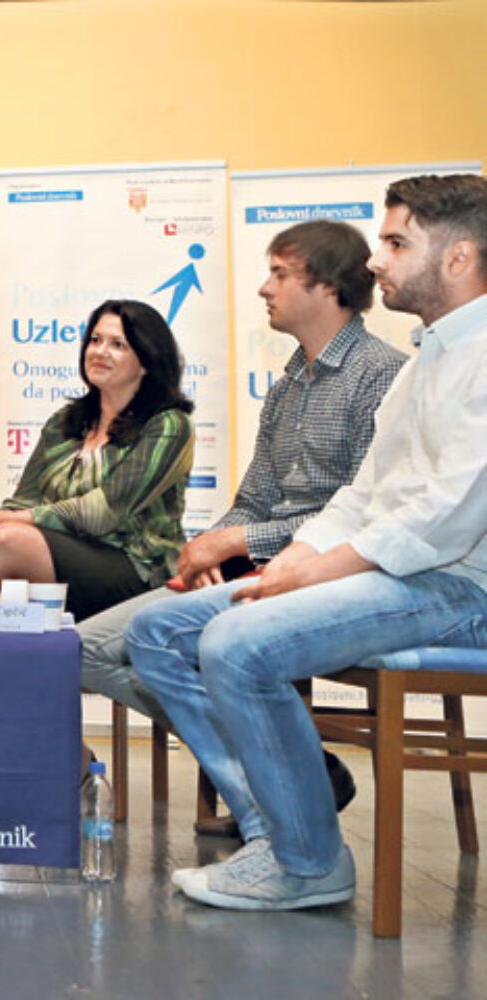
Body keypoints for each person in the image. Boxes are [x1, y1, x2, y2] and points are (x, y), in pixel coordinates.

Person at [127, 174, 487, 911]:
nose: (375, 262)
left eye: (396, 244)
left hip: (460, 588)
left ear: (458, 258)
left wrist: (319, 571)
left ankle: (308, 863)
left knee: (237, 643)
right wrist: (296, 559)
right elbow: (363, 494)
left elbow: (445, 516)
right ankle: (281, 831)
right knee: (158, 631)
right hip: (397, 573)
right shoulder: (427, 360)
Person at [79, 222, 406, 835]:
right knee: (79, 650)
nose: (264, 288)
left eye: (279, 274)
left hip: (330, 574)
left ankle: (280, 794)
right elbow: (254, 499)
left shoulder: (383, 376)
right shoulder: (287, 386)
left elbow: (366, 512)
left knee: (153, 640)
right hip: (253, 565)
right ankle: (300, 769)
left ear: (327, 285)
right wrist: (210, 547)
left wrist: (240, 542)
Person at [0, 299, 194, 620]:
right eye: (95, 340)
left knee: (7, 539)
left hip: (137, 569)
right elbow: (24, 501)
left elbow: (103, 512)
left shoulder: (168, 425)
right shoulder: (65, 422)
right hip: (62, 561)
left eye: (118, 344)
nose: (100, 352)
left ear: (146, 361)